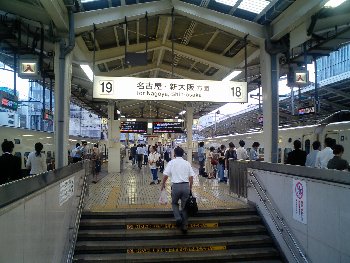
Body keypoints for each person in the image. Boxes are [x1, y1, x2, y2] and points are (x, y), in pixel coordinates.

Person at [161, 147, 195, 234]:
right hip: (185, 186)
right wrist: (190, 187)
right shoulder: (187, 163)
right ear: (183, 154)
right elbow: (191, 177)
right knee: (185, 207)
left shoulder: (171, 162)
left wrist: (163, 184)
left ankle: (178, 218)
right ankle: (185, 226)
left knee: (174, 203)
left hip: (175, 186)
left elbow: (165, 175)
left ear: (175, 154)